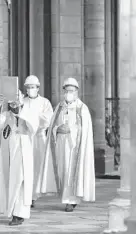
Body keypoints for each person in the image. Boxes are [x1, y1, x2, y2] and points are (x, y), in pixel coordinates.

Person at [36, 77, 95, 212]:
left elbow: (84, 130)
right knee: (63, 170)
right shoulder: (59, 107)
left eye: (71, 91)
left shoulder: (82, 108)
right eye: (66, 90)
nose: (68, 93)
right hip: (60, 144)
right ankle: (65, 197)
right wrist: (58, 129)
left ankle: (71, 200)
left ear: (76, 92)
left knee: (71, 171)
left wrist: (71, 130)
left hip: (74, 145)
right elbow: (52, 126)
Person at [0, 89, 39, 226]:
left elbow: (33, 126)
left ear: (21, 98)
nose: (13, 104)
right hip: (9, 151)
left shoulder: (28, 110)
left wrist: (19, 111)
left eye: (16, 100)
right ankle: (12, 211)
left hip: (23, 151)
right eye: (10, 101)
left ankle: (20, 213)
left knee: (21, 181)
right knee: (11, 181)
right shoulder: (7, 113)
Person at [22, 75, 54, 208]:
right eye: (28, 87)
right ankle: (26, 195)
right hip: (25, 138)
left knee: (37, 166)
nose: (30, 89)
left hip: (39, 138)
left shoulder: (45, 102)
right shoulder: (22, 101)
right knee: (25, 166)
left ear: (38, 88)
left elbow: (47, 119)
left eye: (33, 87)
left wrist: (32, 118)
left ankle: (34, 195)